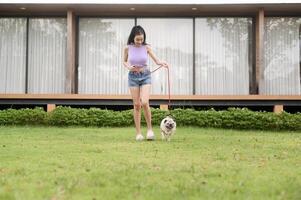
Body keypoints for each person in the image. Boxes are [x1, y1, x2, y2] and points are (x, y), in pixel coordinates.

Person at [123, 25, 168, 141]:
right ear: (133, 37)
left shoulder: (147, 48)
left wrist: (162, 63)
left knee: (144, 102)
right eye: (137, 39)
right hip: (133, 77)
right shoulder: (127, 48)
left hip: (145, 75)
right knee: (137, 105)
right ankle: (138, 133)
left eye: (141, 39)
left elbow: (157, 60)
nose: (139, 42)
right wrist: (129, 67)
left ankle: (149, 130)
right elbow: (124, 61)